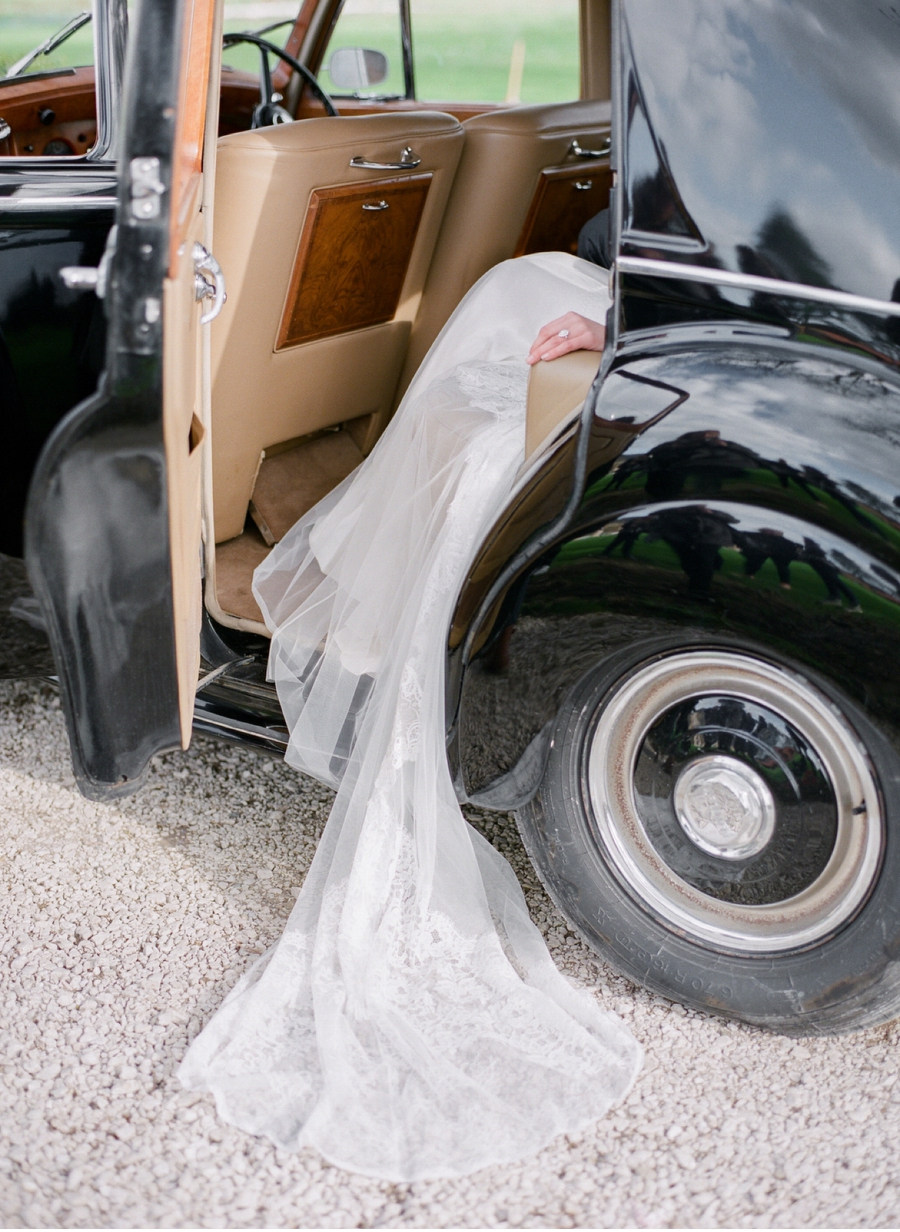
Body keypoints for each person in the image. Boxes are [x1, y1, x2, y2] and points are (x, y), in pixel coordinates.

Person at [179, 251, 642, 1181]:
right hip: (622, 297)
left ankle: (382, 585)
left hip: (640, 318)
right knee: (503, 321)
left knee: (499, 338)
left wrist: (627, 322)